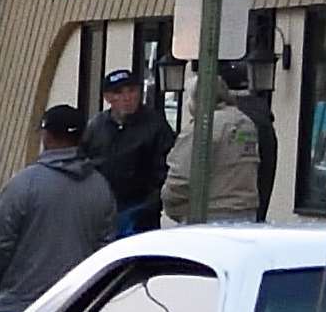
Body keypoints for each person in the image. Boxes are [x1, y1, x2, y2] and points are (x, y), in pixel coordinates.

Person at [0, 102, 122, 312]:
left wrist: (2, 288)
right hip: (76, 308)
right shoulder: (100, 186)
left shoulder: (24, 183)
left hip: (21, 306)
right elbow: (105, 246)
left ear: (46, 136)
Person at [174, 53, 272, 226]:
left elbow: (180, 177)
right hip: (246, 214)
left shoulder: (204, 126)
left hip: (209, 214)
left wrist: (175, 207)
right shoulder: (248, 123)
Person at [85, 62, 175, 237]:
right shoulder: (96, 126)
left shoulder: (155, 126)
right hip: (102, 209)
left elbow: (167, 167)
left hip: (140, 211)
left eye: (131, 91)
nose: (127, 98)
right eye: (119, 92)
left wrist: (151, 202)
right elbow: (85, 162)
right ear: (108, 97)